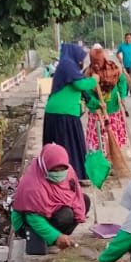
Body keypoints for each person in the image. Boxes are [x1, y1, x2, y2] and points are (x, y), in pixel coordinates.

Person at [8, 144, 88, 255]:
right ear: (45, 168)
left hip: (51, 211)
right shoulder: (32, 185)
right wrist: (55, 236)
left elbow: (75, 194)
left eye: (62, 169)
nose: (59, 174)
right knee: (66, 215)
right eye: (55, 170)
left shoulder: (68, 171)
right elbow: (33, 219)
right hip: (27, 223)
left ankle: (61, 237)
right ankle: (51, 240)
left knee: (84, 201)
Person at [42, 43, 95, 181]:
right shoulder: (68, 65)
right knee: (69, 147)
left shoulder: (66, 66)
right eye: (80, 58)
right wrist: (94, 80)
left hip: (55, 113)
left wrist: (96, 105)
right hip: (64, 114)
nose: (81, 62)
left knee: (58, 147)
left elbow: (83, 93)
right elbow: (80, 85)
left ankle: (57, 176)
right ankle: (69, 177)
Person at [84, 46, 130, 159]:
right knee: (98, 138)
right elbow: (86, 93)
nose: (96, 65)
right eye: (93, 62)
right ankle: (100, 158)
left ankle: (113, 155)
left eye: (98, 62)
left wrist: (122, 96)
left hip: (112, 109)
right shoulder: (88, 73)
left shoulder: (113, 69)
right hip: (97, 112)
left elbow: (122, 81)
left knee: (113, 135)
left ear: (103, 59)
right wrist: (96, 103)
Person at [117, 32, 131, 97]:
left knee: (130, 78)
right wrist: (120, 59)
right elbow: (117, 54)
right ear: (125, 39)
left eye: (129, 38)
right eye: (127, 38)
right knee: (124, 78)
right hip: (124, 65)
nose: (128, 39)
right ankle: (125, 92)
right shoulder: (122, 46)